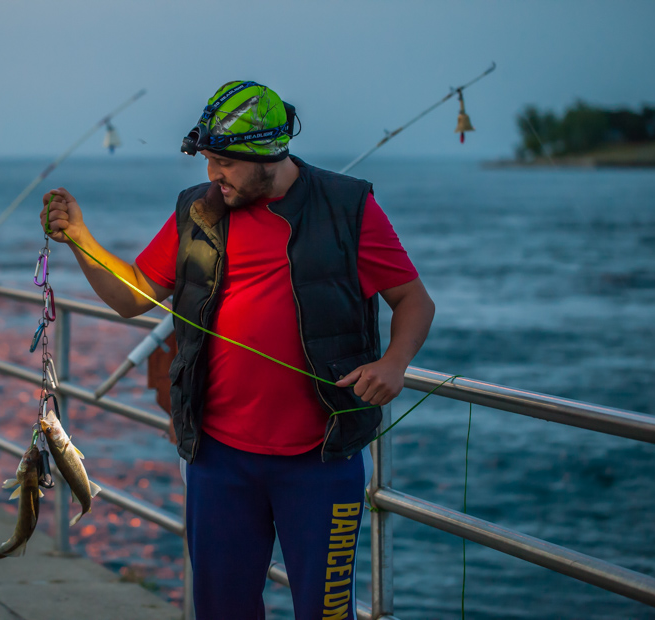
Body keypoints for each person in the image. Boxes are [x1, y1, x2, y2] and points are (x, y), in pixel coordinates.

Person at [40, 81, 435, 620]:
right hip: (219, 460)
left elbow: (413, 300)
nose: (212, 175)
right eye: (207, 160)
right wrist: (81, 239)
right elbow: (132, 297)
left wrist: (394, 364)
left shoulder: (348, 207)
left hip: (321, 463)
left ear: (269, 154)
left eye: (224, 162)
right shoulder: (197, 213)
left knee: (325, 614)